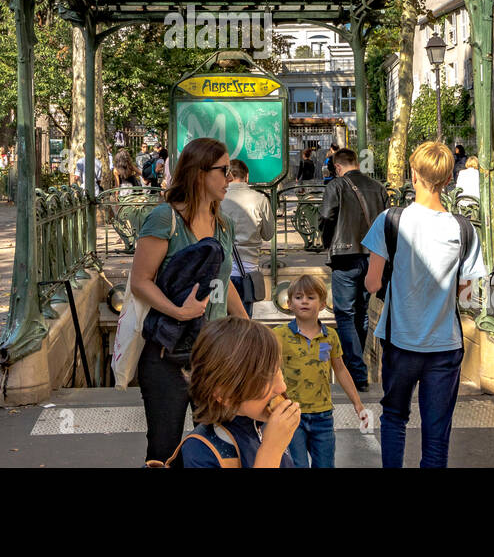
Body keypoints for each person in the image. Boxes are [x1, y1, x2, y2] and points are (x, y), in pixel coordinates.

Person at [363, 141, 484, 468]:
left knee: (394, 417)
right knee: (436, 433)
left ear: (413, 175)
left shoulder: (390, 220)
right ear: (448, 180)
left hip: (400, 340)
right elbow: (467, 296)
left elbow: (372, 283)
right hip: (445, 345)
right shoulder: (464, 229)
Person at [130, 137, 248, 463]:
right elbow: (140, 282)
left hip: (214, 356)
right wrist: (178, 311)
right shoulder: (164, 219)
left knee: (216, 447)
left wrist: (250, 328)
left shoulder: (224, 224)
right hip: (168, 353)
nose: (229, 177)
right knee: (164, 449)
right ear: (199, 174)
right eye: (223, 170)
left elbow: (223, 284)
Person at [169, 318, 299, 468]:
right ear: (225, 395)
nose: (281, 387)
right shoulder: (201, 451)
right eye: (265, 379)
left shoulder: (264, 425)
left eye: (278, 370)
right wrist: (271, 451)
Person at [273, 275, 365, 468]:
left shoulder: (330, 336)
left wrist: (357, 402)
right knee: (296, 464)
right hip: (291, 414)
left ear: (323, 304)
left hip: (323, 416)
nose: (304, 301)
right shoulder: (279, 334)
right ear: (289, 303)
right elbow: (269, 371)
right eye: (298, 297)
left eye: (310, 297)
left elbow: (340, 370)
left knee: (325, 464)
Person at [318, 147, 387, 392]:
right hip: (372, 257)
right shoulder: (378, 187)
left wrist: (327, 242)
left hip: (345, 256)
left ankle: (356, 371)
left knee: (345, 314)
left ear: (337, 167)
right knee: (361, 312)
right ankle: (357, 365)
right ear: (356, 163)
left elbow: (326, 216)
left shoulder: (336, 186)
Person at [220, 159, 273, 316]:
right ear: (247, 176)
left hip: (222, 266)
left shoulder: (218, 198)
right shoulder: (260, 199)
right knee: (243, 322)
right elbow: (268, 234)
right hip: (248, 268)